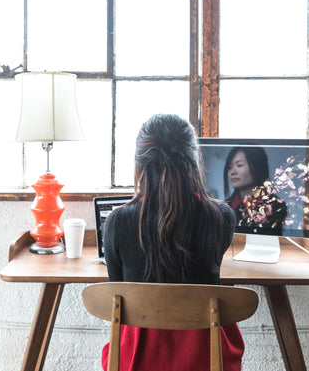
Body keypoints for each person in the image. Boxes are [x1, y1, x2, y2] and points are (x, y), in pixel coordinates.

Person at [103, 114, 244, 371]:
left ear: (140, 164)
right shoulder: (222, 217)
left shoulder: (116, 222)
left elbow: (118, 291)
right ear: (193, 159)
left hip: (139, 359)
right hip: (204, 356)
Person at [223, 147, 288, 235]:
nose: (232, 172)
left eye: (239, 165)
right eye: (230, 167)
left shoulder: (276, 206)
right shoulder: (223, 208)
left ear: (256, 166)